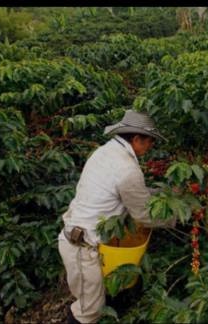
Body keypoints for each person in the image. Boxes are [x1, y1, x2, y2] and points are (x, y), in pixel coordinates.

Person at [58, 110, 176, 324]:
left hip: (77, 238)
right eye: (149, 142)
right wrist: (178, 216)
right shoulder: (127, 168)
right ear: (137, 139)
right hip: (81, 248)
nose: (151, 147)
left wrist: (166, 194)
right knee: (89, 311)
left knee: (92, 301)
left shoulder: (105, 152)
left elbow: (131, 192)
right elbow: (144, 215)